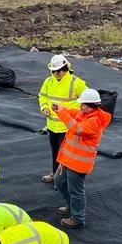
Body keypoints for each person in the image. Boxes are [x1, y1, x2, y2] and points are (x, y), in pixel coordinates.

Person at [51, 88, 111, 230]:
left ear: (91, 106)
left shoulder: (94, 121)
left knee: (75, 190)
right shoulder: (84, 113)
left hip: (79, 163)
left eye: (83, 104)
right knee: (59, 181)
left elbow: (76, 128)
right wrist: (60, 108)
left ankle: (78, 218)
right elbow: (72, 113)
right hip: (69, 159)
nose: (80, 106)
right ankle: (72, 205)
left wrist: (60, 112)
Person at [37, 54, 87, 183]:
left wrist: (78, 115)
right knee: (55, 151)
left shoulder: (76, 83)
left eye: (58, 71)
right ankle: (55, 175)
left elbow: (87, 101)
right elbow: (42, 96)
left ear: (65, 68)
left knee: (65, 155)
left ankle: (62, 180)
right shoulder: (48, 82)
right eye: (53, 71)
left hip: (68, 127)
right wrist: (44, 108)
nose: (56, 74)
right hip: (52, 125)